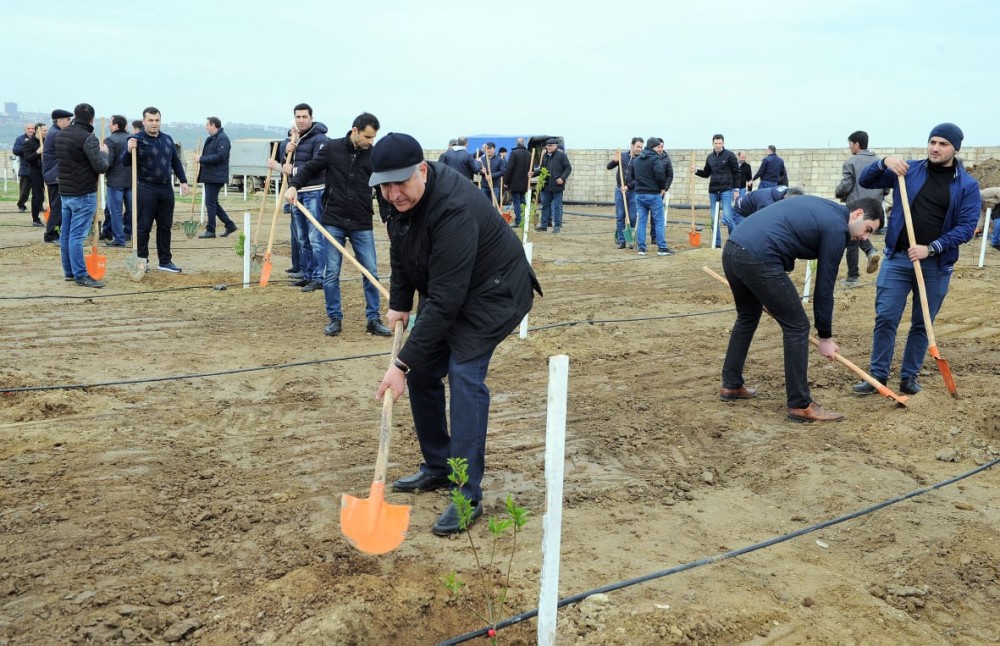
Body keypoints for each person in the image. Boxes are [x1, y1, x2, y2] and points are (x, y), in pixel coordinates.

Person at [371, 132, 542, 536]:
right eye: (386, 185)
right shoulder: (393, 197)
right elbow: (400, 247)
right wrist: (400, 302)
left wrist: (400, 363)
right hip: (452, 285)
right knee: (425, 373)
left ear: (423, 171)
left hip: (493, 291)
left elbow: (446, 303)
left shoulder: (455, 208)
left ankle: (467, 494)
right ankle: (438, 465)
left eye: (401, 183)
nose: (394, 194)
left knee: (463, 375)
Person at [721, 195, 884, 422]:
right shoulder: (837, 228)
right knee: (797, 326)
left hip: (733, 249)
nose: (864, 237)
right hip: (759, 256)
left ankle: (731, 384)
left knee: (748, 315)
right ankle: (800, 404)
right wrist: (825, 336)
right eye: (867, 229)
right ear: (857, 214)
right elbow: (824, 287)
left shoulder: (828, 211)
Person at [853, 123, 980, 396]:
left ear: (955, 148)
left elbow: (967, 227)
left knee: (923, 323)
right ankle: (877, 376)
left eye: (943, 144)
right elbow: (866, 180)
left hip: (936, 265)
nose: (935, 148)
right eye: (932, 142)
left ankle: (909, 377)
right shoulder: (907, 171)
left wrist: (932, 248)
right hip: (898, 259)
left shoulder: (967, 185)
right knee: (886, 317)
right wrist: (884, 162)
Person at [285, 112, 392, 337]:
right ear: (355, 131)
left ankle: (373, 319)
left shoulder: (373, 156)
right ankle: (335, 318)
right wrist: (294, 185)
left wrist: (388, 219)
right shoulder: (332, 148)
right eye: (367, 137)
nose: (371, 142)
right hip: (333, 220)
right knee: (331, 272)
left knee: (371, 272)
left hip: (362, 222)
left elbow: (382, 191)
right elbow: (310, 168)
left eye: (373, 138)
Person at [123, 107, 189, 273]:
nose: (154, 123)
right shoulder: (136, 140)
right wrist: (128, 150)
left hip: (166, 188)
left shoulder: (167, 139)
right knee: (144, 227)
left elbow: (175, 162)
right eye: (150, 120)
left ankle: (165, 261)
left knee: (165, 226)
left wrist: (183, 181)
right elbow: (125, 162)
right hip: (146, 188)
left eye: (157, 120)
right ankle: (142, 261)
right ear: (144, 121)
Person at [54, 103, 110, 287]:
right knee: (77, 237)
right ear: (91, 119)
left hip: (66, 192)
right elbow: (100, 167)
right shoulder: (88, 138)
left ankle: (69, 271)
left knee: (66, 235)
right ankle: (80, 274)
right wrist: (104, 154)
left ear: (75, 117)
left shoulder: (60, 135)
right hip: (83, 193)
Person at [275, 103, 329, 291]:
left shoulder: (321, 139)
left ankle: (318, 277)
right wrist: (287, 152)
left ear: (311, 118)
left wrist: (294, 169)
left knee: (315, 238)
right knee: (302, 238)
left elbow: (318, 165)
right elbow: (286, 166)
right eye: (298, 117)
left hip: (314, 192)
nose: (301, 120)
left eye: (304, 117)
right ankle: (306, 274)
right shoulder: (296, 140)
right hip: (296, 193)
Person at [834, 130, 886, 287]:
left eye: (850, 144)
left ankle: (853, 276)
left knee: (852, 239)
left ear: (857, 144)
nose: (850, 147)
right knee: (863, 235)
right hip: (874, 207)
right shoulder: (879, 162)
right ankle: (870, 251)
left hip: (856, 207)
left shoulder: (851, 162)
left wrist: (838, 193)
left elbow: (846, 185)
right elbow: (885, 188)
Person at [626, 137, 673, 256]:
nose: (660, 149)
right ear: (653, 147)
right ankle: (662, 247)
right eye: (658, 147)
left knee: (641, 221)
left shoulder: (637, 160)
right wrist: (662, 188)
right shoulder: (655, 159)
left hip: (640, 195)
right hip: (653, 195)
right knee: (659, 221)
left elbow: (631, 175)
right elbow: (660, 175)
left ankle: (641, 248)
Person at [693, 134, 740, 246]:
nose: (718, 145)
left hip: (726, 190)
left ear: (723, 143)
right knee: (714, 219)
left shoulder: (730, 155)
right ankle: (717, 243)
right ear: (713, 144)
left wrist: (736, 189)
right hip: (713, 191)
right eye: (716, 143)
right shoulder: (710, 157)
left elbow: (737, 172)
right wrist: (696, 171)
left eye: (720, 143)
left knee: (728, 217)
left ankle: (734, 241)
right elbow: (706, 173)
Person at [196, 116, 237, 239]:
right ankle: (229, 225)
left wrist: (201, 159)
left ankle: (211, 229)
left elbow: (220, 156)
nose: (206, 127)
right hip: (210, 175)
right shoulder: (213, 139)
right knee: (212, 202)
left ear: (213, 125)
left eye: (207, 124)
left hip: (216, 176)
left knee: (210, 202)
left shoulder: (223, 139)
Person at [42, 109, 73, 244]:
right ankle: (51, 234)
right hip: (55, 175)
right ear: (59, 120)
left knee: (59, 206)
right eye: (67, 119)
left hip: (54, 174)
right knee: (58, 206)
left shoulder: (56, 132)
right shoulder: (57, 134)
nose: (69, 122)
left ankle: (55, 232)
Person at [101, 115, 132, 246]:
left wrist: (103, 153)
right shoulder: (132, 139)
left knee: (116, 212)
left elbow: (109, 162)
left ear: (115, 126)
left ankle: (119, 239)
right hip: (131, 181)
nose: (109, 125)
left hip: (115, 182)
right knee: (132, 211)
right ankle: (129, 234)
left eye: (110, 123)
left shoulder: (110, 140)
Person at [607, 137, 642, 249]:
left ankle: (630, 239)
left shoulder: (641, 160)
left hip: (633, 192)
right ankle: (622, 241)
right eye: (637, 146)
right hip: (619, 190)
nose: (639, 149)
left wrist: (628, 186)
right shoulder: (622, 156)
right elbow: (609, 167)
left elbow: (639, 179)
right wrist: (615, 161)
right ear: (631, 146)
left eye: (641, 147)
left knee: (632, 217)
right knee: (620, 216)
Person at [533, 138, 572, 233]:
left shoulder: (561, 156)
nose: (548, 147)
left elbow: (568, 168)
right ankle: (544, 225)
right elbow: (542, 169)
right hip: (546, 185)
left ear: (555, 146)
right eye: (547, 146)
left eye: (550, 146)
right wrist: (533, 173)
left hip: (557, 185)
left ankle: (557, 226)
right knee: (545, 205)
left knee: (557, 206)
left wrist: (562, 178)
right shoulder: (546, 156)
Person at [18, 124, 46, 227]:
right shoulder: (29, 143)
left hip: (47, 172)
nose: (46, 132)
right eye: (44, 130)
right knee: (37, 196)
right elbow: (28, 158)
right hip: (35, 173)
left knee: (51, 196)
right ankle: (36, 218)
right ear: (38, 131)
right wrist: (37, 152)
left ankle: (53, 218)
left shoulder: (47, 142)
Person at [734, 186, 805, 223]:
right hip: (741, 210)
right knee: (740, 238)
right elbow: (760, 222)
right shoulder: (767, 204)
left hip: (752, 206)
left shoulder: (784, 192)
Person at [503, 137, 531, 227]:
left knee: (516, 202)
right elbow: (532, 169)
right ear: (524, 143)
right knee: (523, 201)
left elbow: (509, 168)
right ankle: (525, 219)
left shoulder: (514, 153)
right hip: (525, 182)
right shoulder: (529, 154)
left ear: (517, 144)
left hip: (515, 182)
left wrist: (505, 181)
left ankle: (518, 221)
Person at [13, 123, 36, 217]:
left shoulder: (38, 139)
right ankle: (21, 205)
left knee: (38, 191)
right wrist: (27, 147)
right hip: (25, 168)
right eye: (29, 128)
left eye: (32, 128)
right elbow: (16, 150)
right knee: (24, 190)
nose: (31, 130)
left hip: (37, 168)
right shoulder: (20, 139)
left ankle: (38, 206)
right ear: (25, 129)